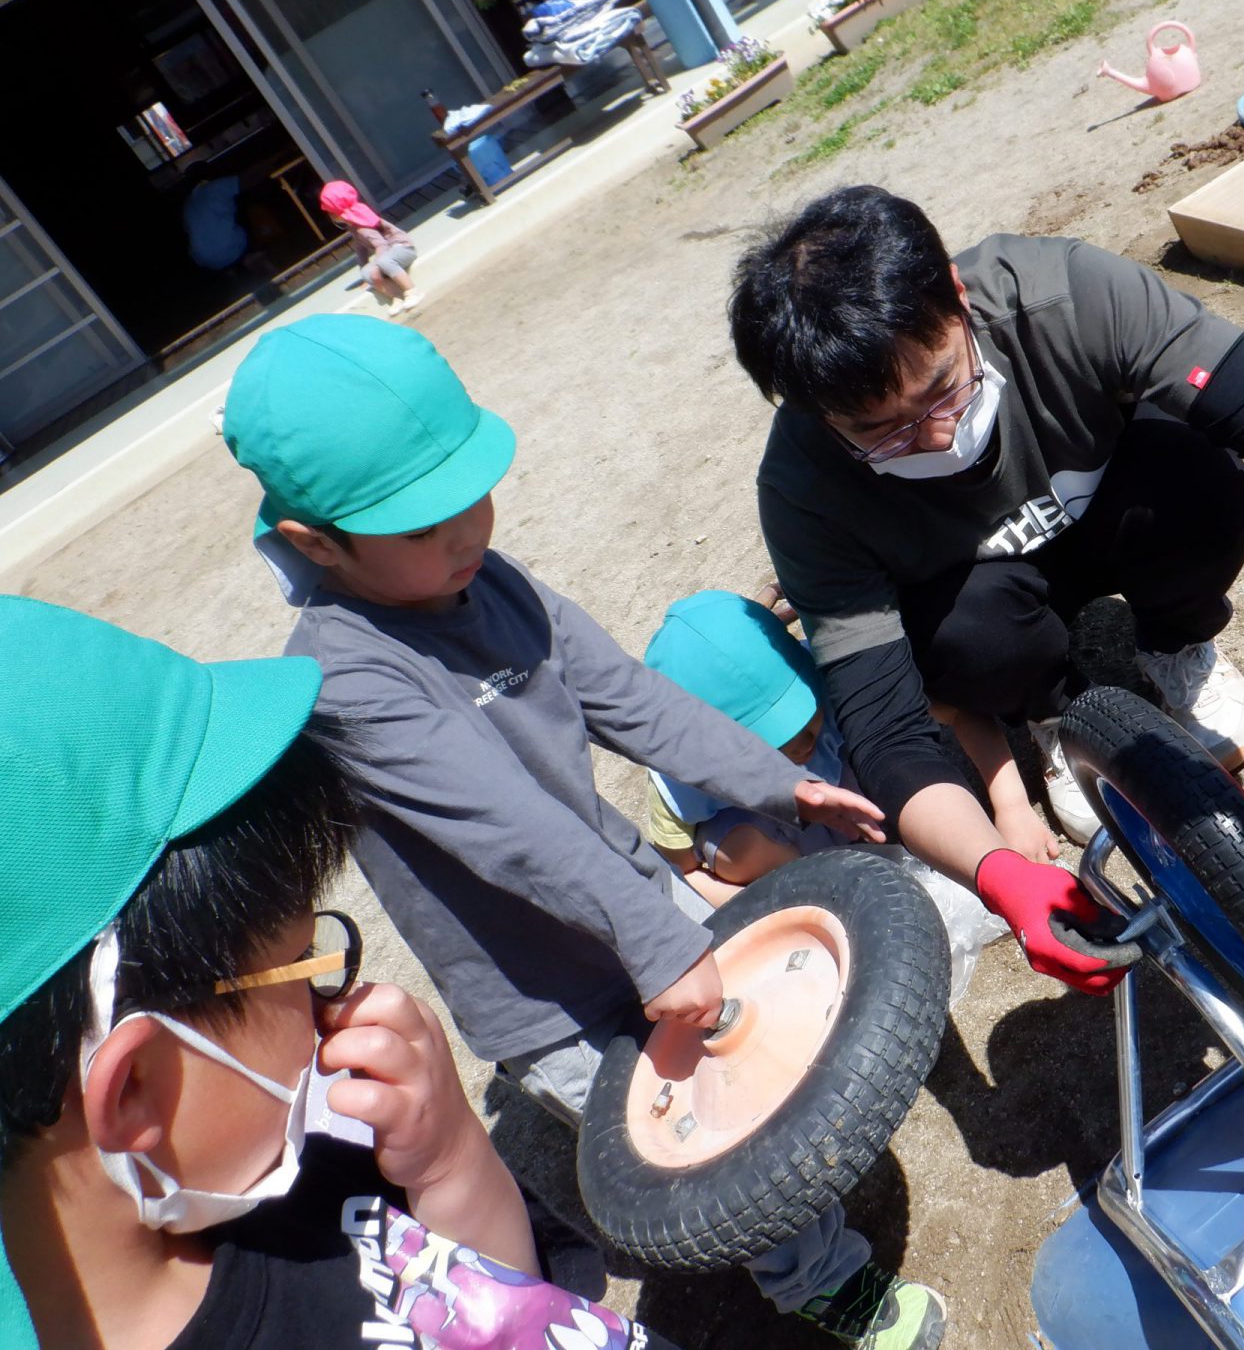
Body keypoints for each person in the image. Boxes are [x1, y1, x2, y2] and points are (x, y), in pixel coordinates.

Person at [220, 314, 944, 1350]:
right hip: (539, 992)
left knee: (745, 1078)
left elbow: (634, 701)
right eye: (422, 529)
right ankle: (817, 1279)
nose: (466, 535)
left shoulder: (492, 580)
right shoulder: (346, 680)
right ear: (314, 543)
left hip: (631, 895)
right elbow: (511, 834)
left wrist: (782, 786)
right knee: (700, 1134)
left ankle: (796, 1211)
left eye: (471, 498)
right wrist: (657, 941)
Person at [734, 187, 1244, 995]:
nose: (936, 435)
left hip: (1125, 509)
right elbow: (886, 731)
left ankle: (1178, 644)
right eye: (883, 432)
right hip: (983, 600)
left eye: (943, 388)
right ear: (814, 410)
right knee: (960, 644)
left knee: (1201, 480)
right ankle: (1053, 715)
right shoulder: (804, 488)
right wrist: (997, 871)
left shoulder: (1063, 295)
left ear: (956, 296)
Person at [0, 595, 652, 1350]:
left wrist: (450, 1170)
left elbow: (518, 1321)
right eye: (303, 972)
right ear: (135, 1088)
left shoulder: (293, 1165)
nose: (328, 1009)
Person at [643, 588, 1056, 906]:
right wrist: (763, 909)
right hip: (773, 832)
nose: (803, 747)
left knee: (893, 765)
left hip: (841, 798)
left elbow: (961, 712)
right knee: (739, 849)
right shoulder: (681, 774)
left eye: (806, 719)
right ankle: (812, 886)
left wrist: (1012, 806)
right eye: (774, 744)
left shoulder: (839, 682)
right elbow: (684, 871)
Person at [318, 180, 422, 316]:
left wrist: (377, 268)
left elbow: (381, 245)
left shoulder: (362, 226)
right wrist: (364, 272)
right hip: (388, 255)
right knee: (367, 272)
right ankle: (396, 296)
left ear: (339, 213)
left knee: (382, 262)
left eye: (331, 213)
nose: (331, 217)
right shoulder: (353, 226)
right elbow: (360, 249)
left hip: (403, 249)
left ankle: (411, 291)